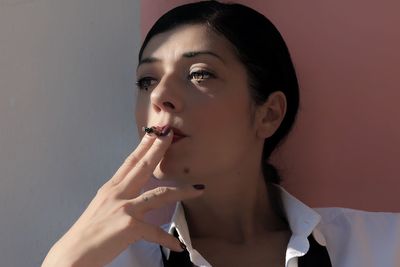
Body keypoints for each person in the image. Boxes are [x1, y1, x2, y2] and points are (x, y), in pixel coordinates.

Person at [41, 1, 400, 267]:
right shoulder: (114, 263)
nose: (159, 95)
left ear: (268, 114)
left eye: (199, 74)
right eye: (146, 80)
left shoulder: (383, 247)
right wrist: (63, 261)